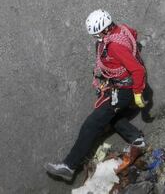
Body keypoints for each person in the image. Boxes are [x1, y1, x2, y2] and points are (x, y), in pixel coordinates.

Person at [45, 9, 147, 181]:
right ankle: (136, 139)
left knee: (92, 124)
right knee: (108, 116)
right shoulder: (121, 29)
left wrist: (137, 92)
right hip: (122, 87)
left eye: (97, 34)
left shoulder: (114, 47)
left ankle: (69, 166)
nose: (95, 38)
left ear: (105, 29)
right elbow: (134, 34)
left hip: (123, 91)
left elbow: (137, 70)